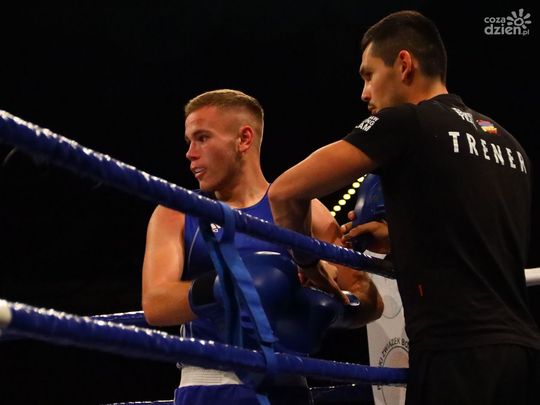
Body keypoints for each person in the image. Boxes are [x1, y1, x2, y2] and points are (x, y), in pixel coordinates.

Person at [269, 10, 540, 405]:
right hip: (523, 354)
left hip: (456, 355)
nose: (364, 93)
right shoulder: (510, 145)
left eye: (368, 75)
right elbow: (475, 237)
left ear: (404, 64)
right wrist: (397, 238)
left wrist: (310, 265)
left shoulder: (406, 123)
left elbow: (284, 192)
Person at [141, 89, 384, 404]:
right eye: (189, 141)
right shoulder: (177, 212)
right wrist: (230, 286)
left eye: (202, 138)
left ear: (244, 139)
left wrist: (327, 306)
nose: (190, 153)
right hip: (211, 386)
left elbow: (369, 300)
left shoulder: (304, 211)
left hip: (289, 386)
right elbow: (155, 304)